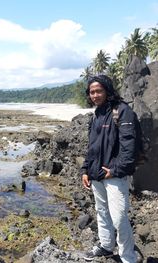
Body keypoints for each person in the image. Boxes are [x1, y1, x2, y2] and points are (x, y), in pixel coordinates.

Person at [81, 74, 138, 263]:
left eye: (99, 91)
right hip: (96, 174)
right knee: (102, 212)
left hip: (114, 175)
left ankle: (128, 257)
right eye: (92, 92)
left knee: (119, 217)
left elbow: (129, 146)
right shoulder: (96, 114)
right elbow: (92, 147)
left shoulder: (122, 111)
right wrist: (85, 170)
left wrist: (115, 170)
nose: (95, 95)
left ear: (107, 90)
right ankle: (106, 245)